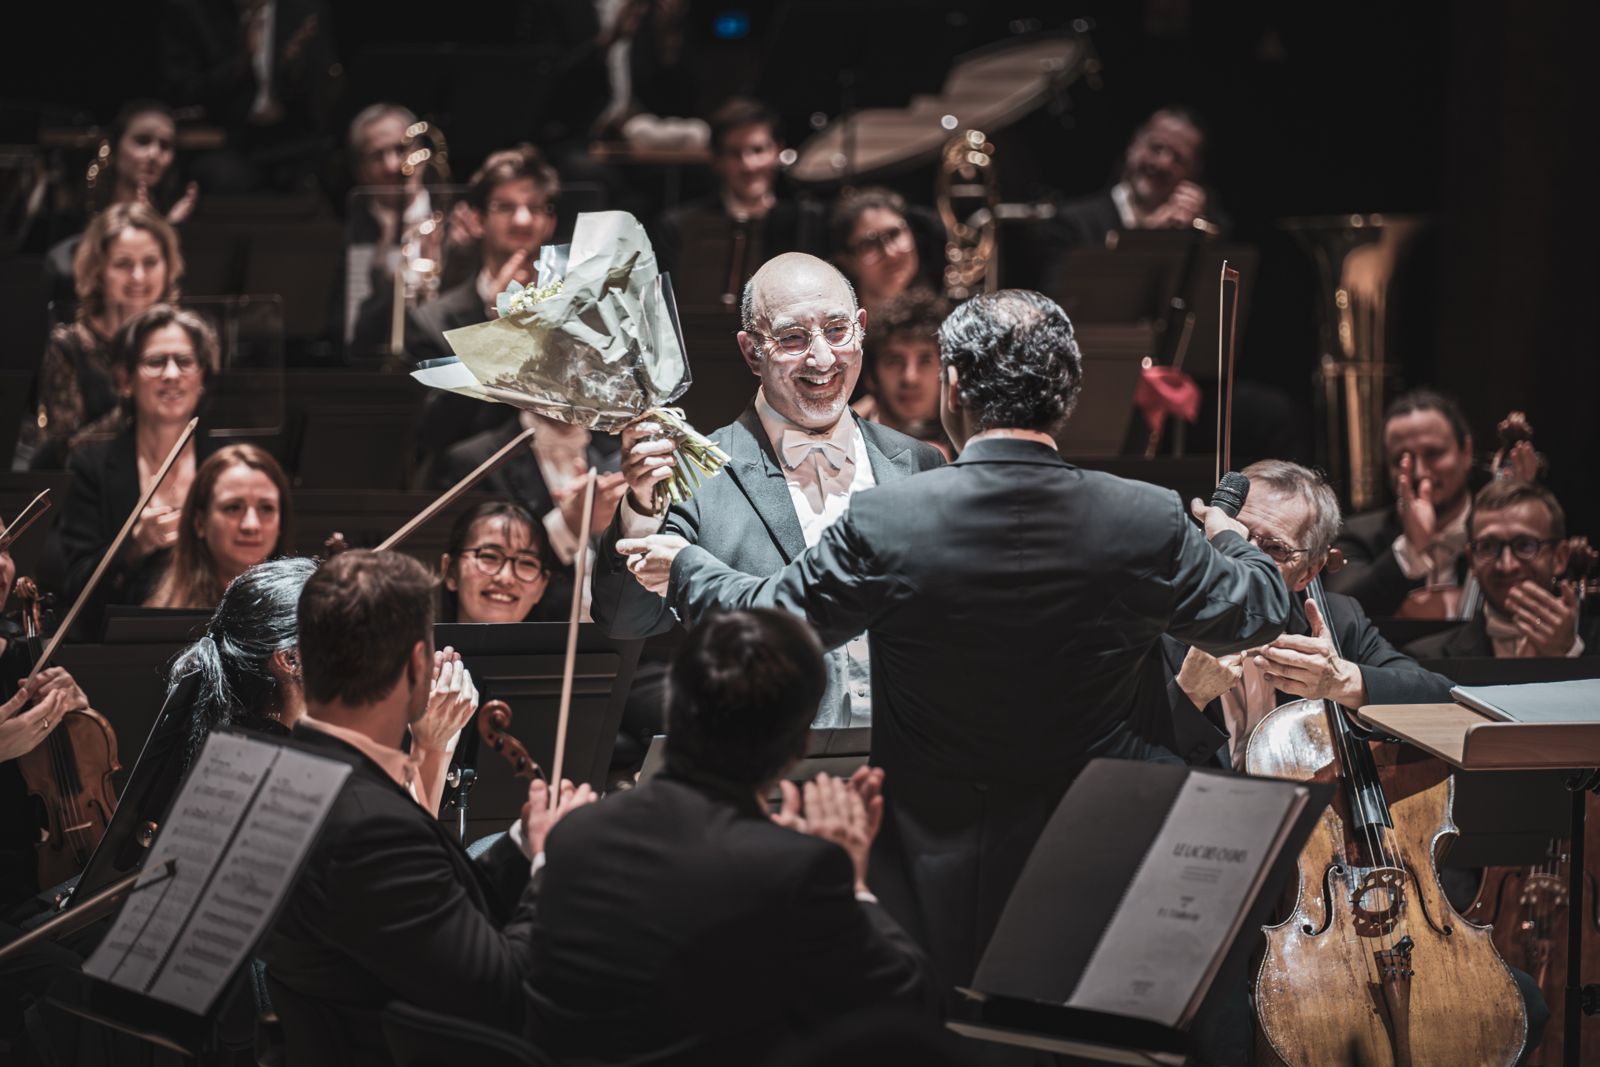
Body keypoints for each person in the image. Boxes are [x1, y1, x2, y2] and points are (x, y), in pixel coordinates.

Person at [616, 288, 1290, 1000]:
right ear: (1069, 392)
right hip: (1108, 859)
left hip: (941, 868)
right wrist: (1231, 536)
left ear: (956, 386)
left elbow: (769, 619)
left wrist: (687, 565)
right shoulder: (1143, 516)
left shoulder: (889, 519)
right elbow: (1261, 610)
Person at [524, 609, 932, 1063]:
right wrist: (853, 879)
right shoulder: (799, 869)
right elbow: (909, 1001)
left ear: (673, 707)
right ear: (800, 746)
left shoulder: (574, 835)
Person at [262, 550, 592, 1066]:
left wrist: (522, 845)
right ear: (418, 664)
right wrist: (555, 863)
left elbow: (432, 904)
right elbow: (501, 995)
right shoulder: (367, 823)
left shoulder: (290, 770)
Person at [591, 252, 946, 729]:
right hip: (761, 773)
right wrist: (638, 506)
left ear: (862, 328)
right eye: (792, 338)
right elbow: (625, 620)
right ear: (750, 351)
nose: (822, 358)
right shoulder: (700, 473)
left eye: (838, 331)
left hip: (901, 764)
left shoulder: (922, 464)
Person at [1142, 460, 1453, 771]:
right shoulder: (1151, 621)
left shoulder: (1338, 619)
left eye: (1274, 549)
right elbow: (1118, 772)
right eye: (1234, 534)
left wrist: (1341, 681)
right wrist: (1189, 696)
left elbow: (1445, 706)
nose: (1244, 558)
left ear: (1308, 573)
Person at [55, 304, 221, 631]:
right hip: (120, 640)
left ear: (201, 377)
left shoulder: (228, 464)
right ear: (124, 380)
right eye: (156, 362)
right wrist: (133, 548)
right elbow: (74, 587)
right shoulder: (91, 466)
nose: (171, 375)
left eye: (185, 362)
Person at [410, 143, 562, 457]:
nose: (522, 220)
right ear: (477, 220)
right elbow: (433, 433)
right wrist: (495, 329)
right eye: (505, 207)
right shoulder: (431, 322)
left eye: (535, 208)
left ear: (550, 223)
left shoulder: (577, 310)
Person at [22, 202, 185, 468]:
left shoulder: (187, 339)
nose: (138, 276)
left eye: (151, 262)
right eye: (123, 264)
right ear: (98, 271)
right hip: (95, 492)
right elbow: (65, 454)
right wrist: (134, 403)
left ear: (168, 266)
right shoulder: (69, 346)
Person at [0, 513, 95, 913]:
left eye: (3, 547)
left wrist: (79, 715)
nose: (1, 565)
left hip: (34, 873)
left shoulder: (25, 651)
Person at [650, 98, 824, 299]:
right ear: (717, 160)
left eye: (758, 150)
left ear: (777, 151)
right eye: (735, 153)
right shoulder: (676, 226)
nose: (748, 165)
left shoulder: (806, 221)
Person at [1406, 479, 1599, 659]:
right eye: (1488, 547)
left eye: (1524, 545)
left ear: (1559, 558)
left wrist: (1569, 654)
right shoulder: (1425, 659)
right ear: (1472, 560)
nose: (1506, 565)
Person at [1328, 389, 1477, 618]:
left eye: (1433, 453)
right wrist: (1410, 549)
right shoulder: (1357, 535)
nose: (1419, 472)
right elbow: (1337, 615)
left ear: (1466, 452)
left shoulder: (1496, 531)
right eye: (1401, 459)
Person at [42, 101, 199, 314]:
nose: (154, 154)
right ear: (116, 148)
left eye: (165, 146)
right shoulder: (78, 214)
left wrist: (166, 231)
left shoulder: (178, 222)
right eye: (142, 141)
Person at [1048, 106, 1221, 251]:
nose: (1163, 163)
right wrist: (1147, 237)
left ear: (1194, 171)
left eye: (1179, 158)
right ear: (1133, 145)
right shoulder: (1073, 222)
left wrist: (1196, 239)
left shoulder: (1206, 228)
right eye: (1156, 147)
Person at [146, 443, 295, 610]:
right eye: (233, 507)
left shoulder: (302, 613)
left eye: (266, 508)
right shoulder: (161, 620)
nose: (251, 525)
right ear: (200, 522)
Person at [850, 287, 952, 456]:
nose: (910, 377)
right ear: (871, 375)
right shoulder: (844, 446)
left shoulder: (971, 445)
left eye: (925, 361)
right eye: (894, 362)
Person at [439, 501, 554, 624]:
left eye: (527, 563)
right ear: (450, 571)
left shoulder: (571, 643)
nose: (506, 578)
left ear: (542, 586)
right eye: (490, 556)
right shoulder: (420, 643)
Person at [829, 187, 939, 314]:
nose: (890, 253)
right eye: (869, 244)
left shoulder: (942, 313)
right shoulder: (844, 330)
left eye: (894, 234)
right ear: (847, 261)